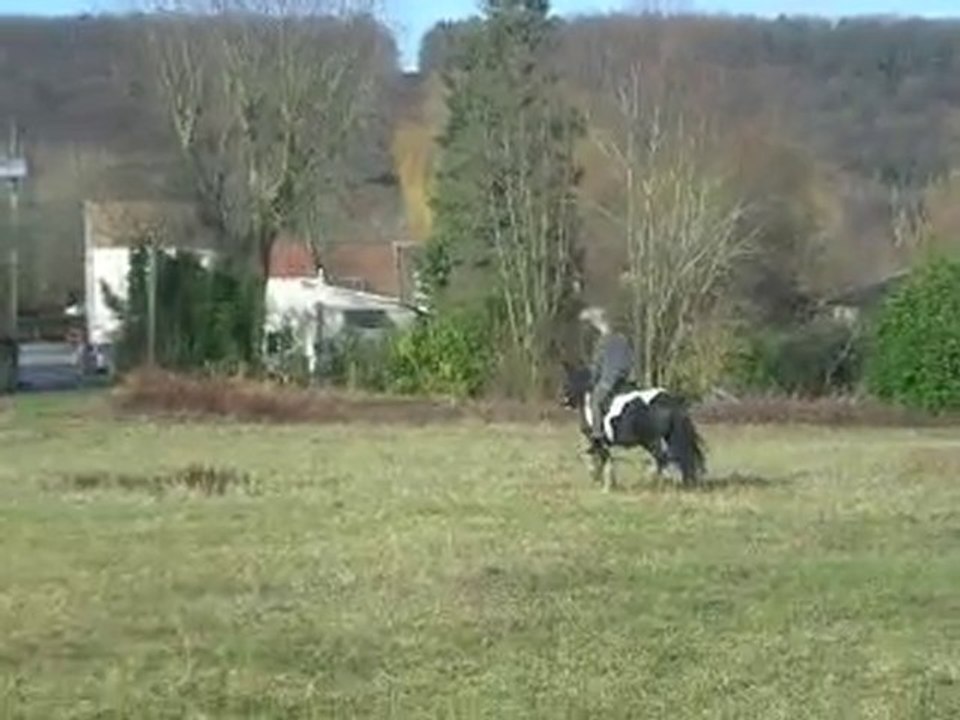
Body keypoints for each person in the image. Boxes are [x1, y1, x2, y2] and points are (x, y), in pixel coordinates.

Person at [579, 306, 634, 450]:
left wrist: (592, 380)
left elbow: (597, 366)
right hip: (625, 380)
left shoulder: (602, 343)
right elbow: (630, 360)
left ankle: (597, 436)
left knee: (595, 401)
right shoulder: (623, 339)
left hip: (608, 380)